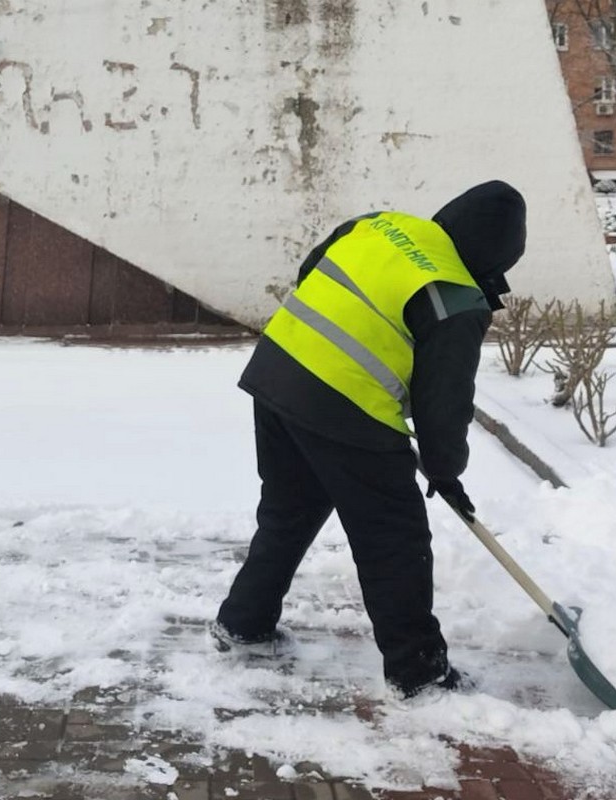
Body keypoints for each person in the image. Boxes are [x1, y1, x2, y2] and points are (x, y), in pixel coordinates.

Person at [214, 180, 527, 698]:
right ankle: (418, 672)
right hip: (345, 404)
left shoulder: (382, 224)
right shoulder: (456, 297)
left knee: (288, 511)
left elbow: (312, 269)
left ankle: (243, 623)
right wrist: (446, 472)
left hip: (277, 369)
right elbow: (442, 404)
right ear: (494, 260)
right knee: (393, 539)